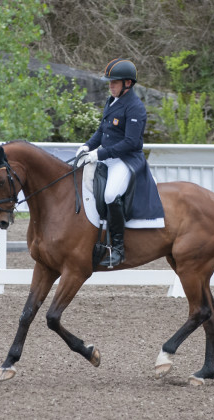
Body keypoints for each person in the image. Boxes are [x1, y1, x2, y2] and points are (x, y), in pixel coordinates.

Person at [77, 58, 164, 267]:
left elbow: (130, 142)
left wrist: (100, 154)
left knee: (110, 194)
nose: (110, 85)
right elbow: (102, 131)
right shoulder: (112, 101)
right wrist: (87, 146)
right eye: (110, 82)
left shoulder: (135, 107)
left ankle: (117, 248)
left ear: (128, 83)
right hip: (108, 157)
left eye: (114, 82)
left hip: (125, 160)